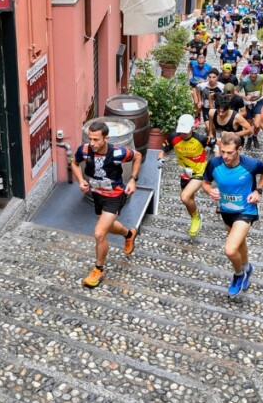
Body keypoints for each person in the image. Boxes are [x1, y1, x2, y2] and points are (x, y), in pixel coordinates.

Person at [72, 121, 142, 288]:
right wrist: (81, 180)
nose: (93, 143)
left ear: (106, 138)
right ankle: (129, 234)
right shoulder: (84, 150)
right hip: (97, 194)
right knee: (107, 227)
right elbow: (74, 163)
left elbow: (137, 156)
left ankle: (98, 269)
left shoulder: (118, 152)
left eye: (96, 139)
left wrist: (133, 179)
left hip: (115, 195)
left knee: (99, 232)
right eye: (90, 139)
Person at [202, 132, 263, 296]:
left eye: (230, 152)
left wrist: (258, 190)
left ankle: (239, 274)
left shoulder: (250, 164)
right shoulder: (214, 164)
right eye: (223, 151)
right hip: (226, 211)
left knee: (230, 250)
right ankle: (248, 268)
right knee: (239, 243)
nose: (225, 156)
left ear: (239, 149)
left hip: (246, 210)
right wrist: (210, 191)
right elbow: (205, 183)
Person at [157, 114, 209, 237]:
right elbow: (163, 151)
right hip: (185, 174)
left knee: (184, 197)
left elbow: (217, 143)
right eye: (181, 131)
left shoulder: (200, 139)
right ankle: (196, 217)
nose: (183, 134)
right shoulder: (173, 137)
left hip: (199, 172)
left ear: (193, 128)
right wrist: (160, 159)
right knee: (188, 200)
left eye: (186, 131)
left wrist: (217, 160)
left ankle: (196, 218)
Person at [239, 53, 263, 148]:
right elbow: (236, 91)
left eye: (255, 74)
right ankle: (250, 138)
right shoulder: (244, 80)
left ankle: (255, 136)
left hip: (258, 101)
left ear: (257, 73)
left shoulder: (261, 77)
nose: (253, 76)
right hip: (248, 103)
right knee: (248, 124)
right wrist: (244, 96)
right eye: (251, 74)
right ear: (249, 73)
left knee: (257, 124)